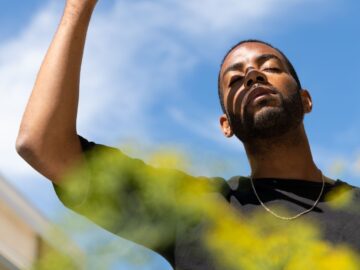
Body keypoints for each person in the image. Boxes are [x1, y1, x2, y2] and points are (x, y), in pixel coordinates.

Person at [16, 0, 360, 269]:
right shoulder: (196, 210)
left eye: (270, 67)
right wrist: (79, 6)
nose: (253, 75)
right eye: (236, 80)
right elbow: (43, 144)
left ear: (305, 100)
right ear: (226, 124)